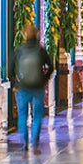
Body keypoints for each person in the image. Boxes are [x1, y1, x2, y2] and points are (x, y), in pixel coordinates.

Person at [9, 22, 52, 152]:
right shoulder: (41, 50)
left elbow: (11, 69)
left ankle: (24, 143)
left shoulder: (19, 51)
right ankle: (35, 143)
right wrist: (44, 79)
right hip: (38, 87)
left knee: (22, 115)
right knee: (37, 115)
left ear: (24, 35)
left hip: (22, 87)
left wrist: (16, 83)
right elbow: (50, 67)